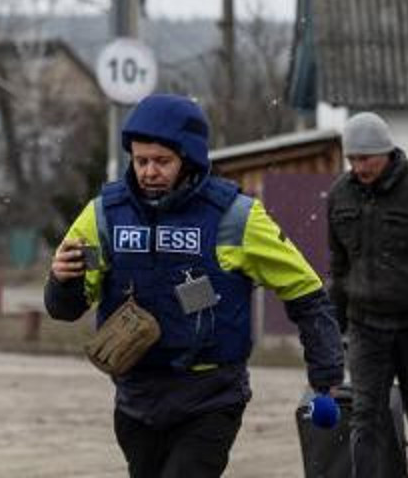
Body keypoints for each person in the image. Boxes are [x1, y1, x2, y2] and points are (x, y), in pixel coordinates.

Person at [44, 93, 344, 478]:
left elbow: (306, 293)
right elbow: (65, 309)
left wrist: (326, 377)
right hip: (137, 399)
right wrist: (62, 280)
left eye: (162, 161)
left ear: (190, 158)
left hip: (211, 397)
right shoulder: (103, 216)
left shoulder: (236, 217)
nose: (149, 171)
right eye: (140, 161)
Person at [327, 111, 408, 477]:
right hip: (365, 325)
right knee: (364, 417)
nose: (359, 166)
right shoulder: (340, 195)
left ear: (386, 151)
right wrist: (330, 331)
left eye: (366, 158)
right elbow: (339, 268)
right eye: (352, 159)